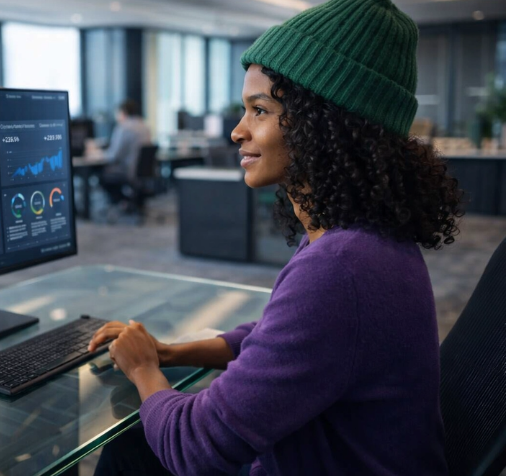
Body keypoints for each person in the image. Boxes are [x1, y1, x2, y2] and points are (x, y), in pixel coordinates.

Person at [89, 0, 463, 474]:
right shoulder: (360, 238)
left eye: (259, 110)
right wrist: (170, 352)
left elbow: (195, 448)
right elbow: (280, 337)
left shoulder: (341, 269)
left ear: (324, 124)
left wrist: (144, 369)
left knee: (134, 447)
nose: (236, 130)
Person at [100, 99, 152, 207]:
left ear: (123, 112)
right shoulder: (145, 126)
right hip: (143, 171)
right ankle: (129, 202)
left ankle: (121, 202)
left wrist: (98, 154)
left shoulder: (123, 128)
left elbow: (113, 156)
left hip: (128, 171)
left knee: (103, 176)